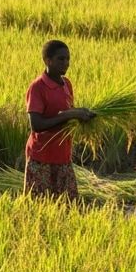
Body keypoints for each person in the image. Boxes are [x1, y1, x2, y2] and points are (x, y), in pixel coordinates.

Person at [24, 40, 95, 199]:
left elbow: (67, 117)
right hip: (41, 157)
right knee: (39, 206)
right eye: (61, 59)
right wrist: (68, 114)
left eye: (68, 59)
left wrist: (81, 115)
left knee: (68, 207)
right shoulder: (38, 87)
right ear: (47, 61)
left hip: (63, 155)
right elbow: (36, 125)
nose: (66, 63)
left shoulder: (67, 84)